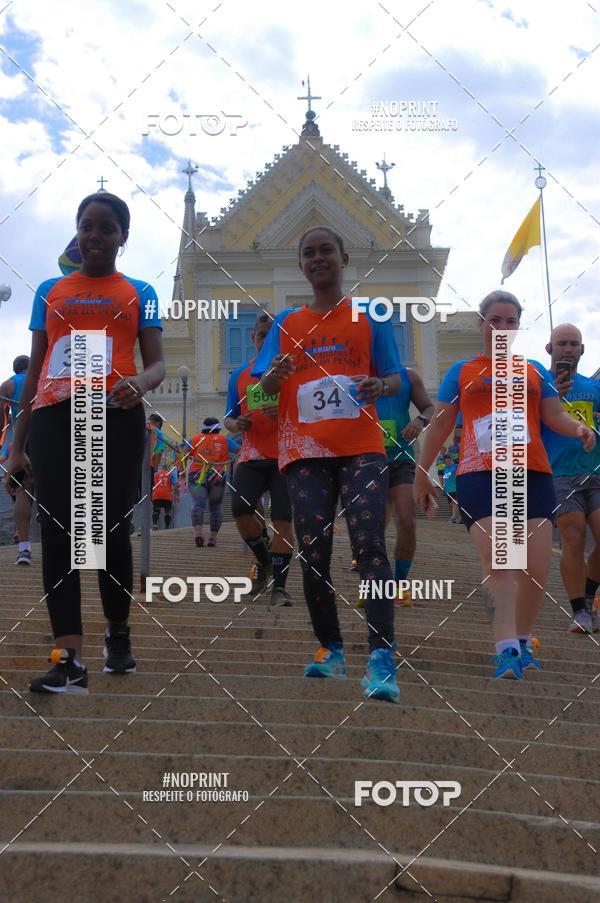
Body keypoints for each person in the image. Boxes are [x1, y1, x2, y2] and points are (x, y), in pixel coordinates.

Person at [4, 192, 164, 693]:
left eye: (106, 228)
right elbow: (35, 371)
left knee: (106, 531)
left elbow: (157, 363)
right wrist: (17, 447)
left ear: (123, 236)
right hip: (54, 415)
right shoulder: (49, 290)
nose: (94, 236)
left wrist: (141, 383)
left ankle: (118, 632)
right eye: (86, 226)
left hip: (115, 413)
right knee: (58, 531)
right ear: (77, 232)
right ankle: (69, 659)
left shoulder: (140, 291)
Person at [253, 225, 402, 703]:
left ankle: (382, 656)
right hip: (305, 452)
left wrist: (381, 386)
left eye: (326, 251)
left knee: (370, 547)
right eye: (308, 253)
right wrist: (274, 377)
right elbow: (261, 390)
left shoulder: (370, 317)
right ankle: (330, 649)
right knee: (314, 552)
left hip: (362, 447)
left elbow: (396, 376)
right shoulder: (286, 323)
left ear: (344, 257)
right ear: (300, 265)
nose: (318, 259)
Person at [414, 290, 595, 680]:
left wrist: (578, 427)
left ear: (518, 327)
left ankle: (522, 641)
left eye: (510, 321)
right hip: (480, 474)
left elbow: (554, 414)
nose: (502, 327)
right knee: (501, 559)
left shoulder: (533, 370)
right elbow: (441, 425)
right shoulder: (461, 371)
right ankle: (506, 649)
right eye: (495, 320)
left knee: (535, 568)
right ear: (481, 323)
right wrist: (421, 471)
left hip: (533, 474)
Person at [224, 311, 295, 605]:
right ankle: (264, 560)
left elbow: (308, 414)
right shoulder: (239, 375)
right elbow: (229, 418)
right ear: (253, 337)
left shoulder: (292, 373)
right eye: (262, 335)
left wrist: (284, 413)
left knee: (282, 520)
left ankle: (280, 587)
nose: (266, 340)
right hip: (251, 456)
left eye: (272, 335)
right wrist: (237, 425)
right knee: (241, 511)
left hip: (285, 457)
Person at [542, 323, 600, 633]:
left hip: (595, 472)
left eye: (573, 343)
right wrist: (551, 397)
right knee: (574, 535)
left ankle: (589, 597)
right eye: (562, 343)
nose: (567, 348)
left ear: (582, 350)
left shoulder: (594, 387)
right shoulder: (538, 386)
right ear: (549, 348)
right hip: (558, 473)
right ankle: (579, 611)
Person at [374, 364, 434, 605]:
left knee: (408, 521)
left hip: (401, 457)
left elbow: (429, 407)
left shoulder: (408, 376)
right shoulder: (356, 371)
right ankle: (373, 582)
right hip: (367, 459)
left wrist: (420, 420)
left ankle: (399, 584)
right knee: (373, 526)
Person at [185, 417, 238, 547]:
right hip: (217, 475)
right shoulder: (225, 440)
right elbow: (240, 451)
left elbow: (184, 454)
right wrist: (234, 464)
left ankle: (198, 534)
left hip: (196, 474)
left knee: (198, 504)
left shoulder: (194, 439)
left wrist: (181, 472)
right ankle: (212, 538)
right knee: (216, 507)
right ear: (218, 428)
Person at [0, 355, 34, 564]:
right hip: (46, 434)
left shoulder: (8, 384)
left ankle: (24, 549)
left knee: (22, 488)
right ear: (29, 366)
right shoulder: (38, 379)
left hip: (21, 439)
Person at [152, 464, 178, 530]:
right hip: (167, 495)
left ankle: (155, 525)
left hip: (157, 495)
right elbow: (175, 485)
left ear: (161, 468)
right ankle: (167, 527)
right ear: (168, 468)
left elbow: (152, 484)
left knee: (156, 511)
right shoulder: (171, 474)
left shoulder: (155, 474)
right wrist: (176, 494)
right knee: (167, 512)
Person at [441, 454, 460, 523]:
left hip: (456, 488)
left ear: (450, 459)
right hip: (448, 489)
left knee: (455, 502)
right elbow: (445, 478)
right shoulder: (445, 468)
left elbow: (458, 474)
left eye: (447, 461)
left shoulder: (456, 466)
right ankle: (457, 518)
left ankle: (454, 517)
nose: (446, 463)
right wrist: (444, 486)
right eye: (445, 462)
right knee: (451, 504)